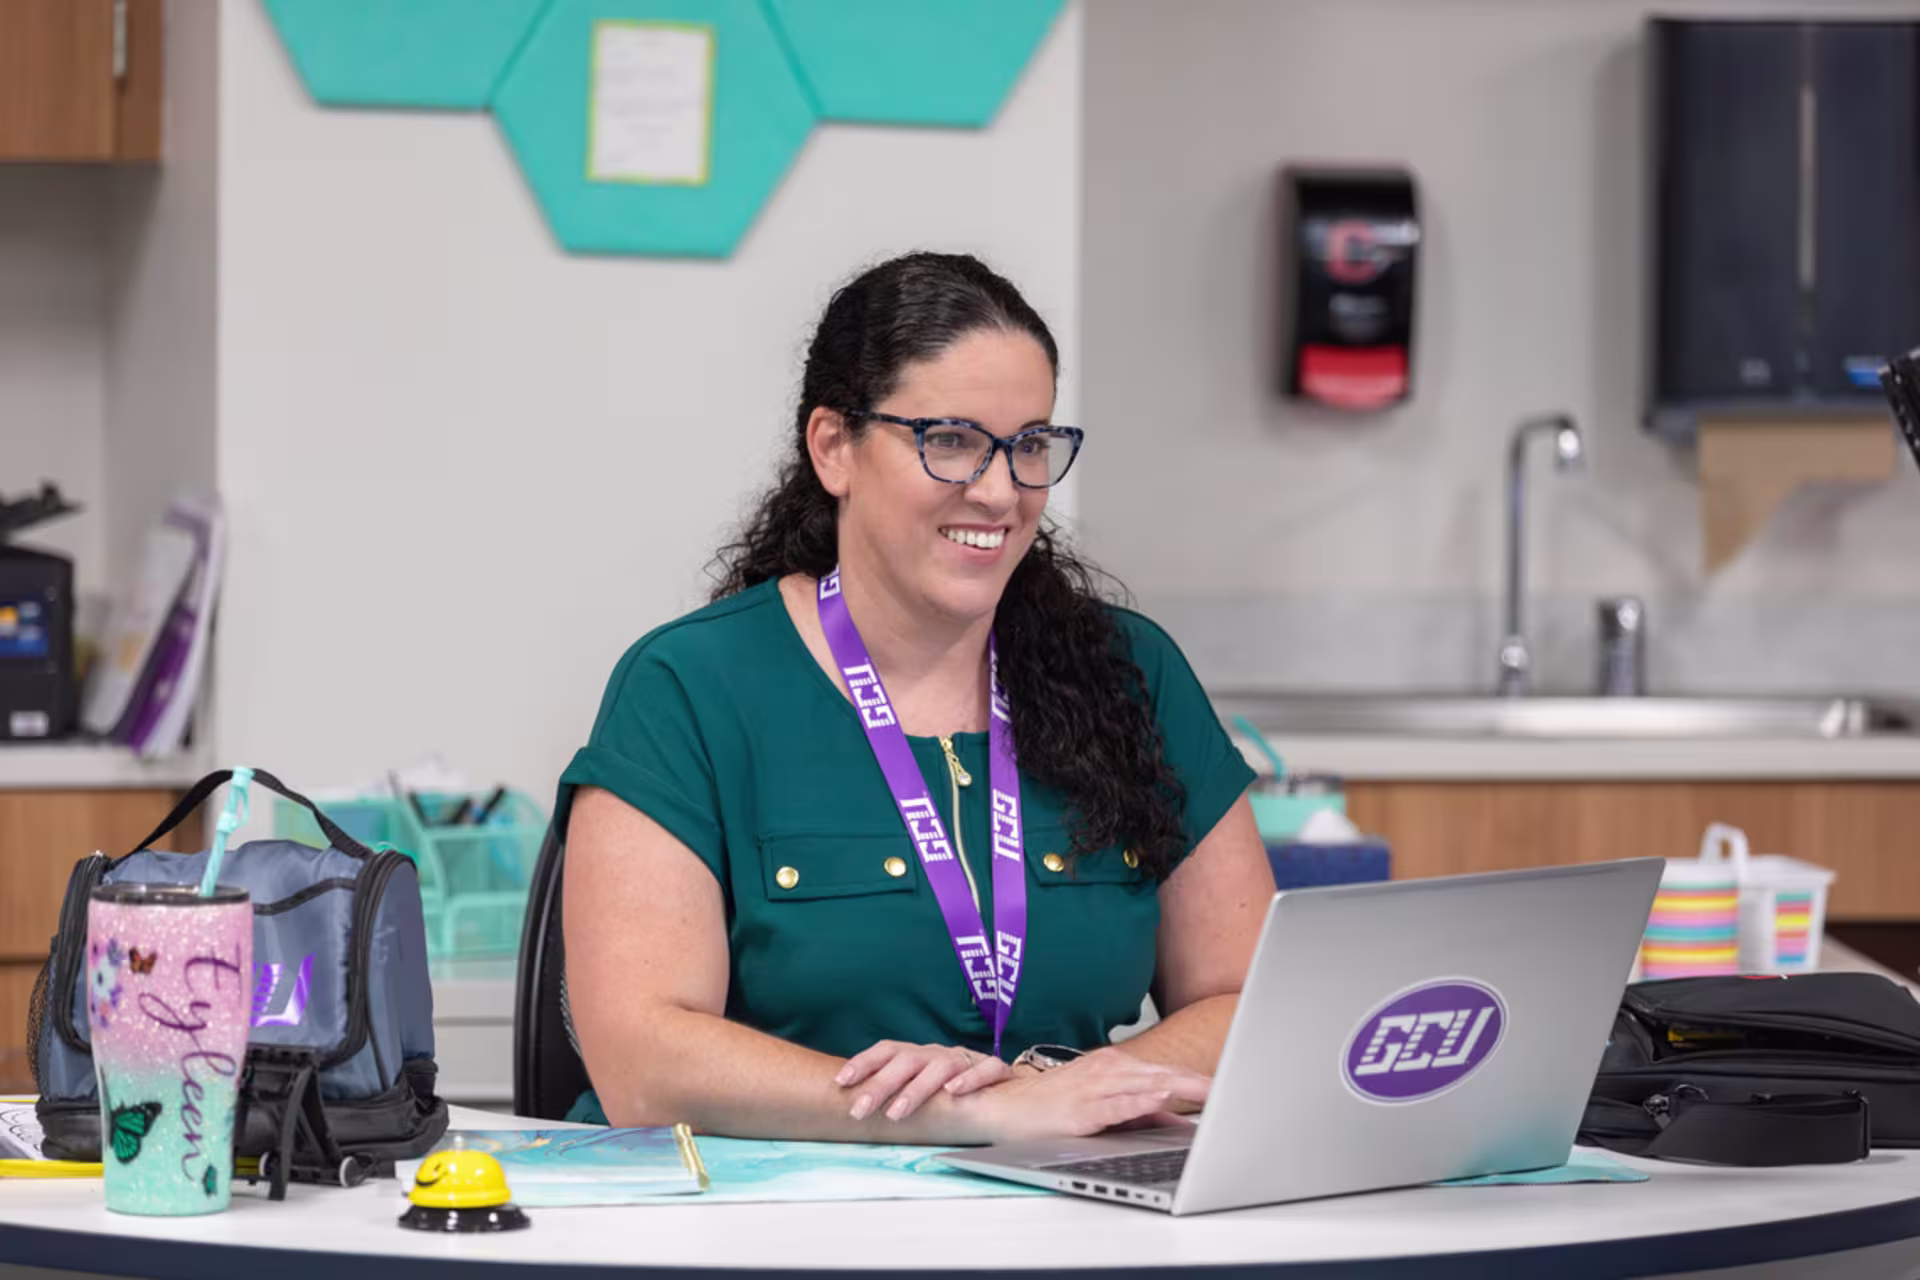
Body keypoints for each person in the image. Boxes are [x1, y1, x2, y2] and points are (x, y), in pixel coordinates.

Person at [556, 251, 1273, 1145]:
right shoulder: (691, 688)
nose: (1001, 490)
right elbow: (641, 1062)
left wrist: (1084, 1085)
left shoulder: (1133, 672)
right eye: (952, 441)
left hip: (1067, 1216)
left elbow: (1250, 1000)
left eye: (1031, 446)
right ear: (834, 449)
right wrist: (970, 1113)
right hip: (765, 1235)